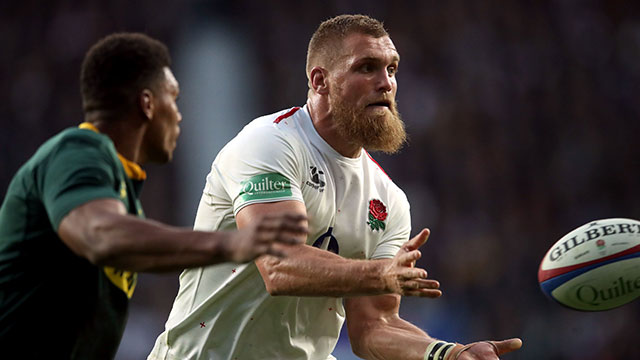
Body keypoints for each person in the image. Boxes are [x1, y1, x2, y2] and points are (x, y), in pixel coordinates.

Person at [148, 15, 522, 360]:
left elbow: (373, 326)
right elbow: (280, 266)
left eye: (392, 69)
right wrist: (378, 275)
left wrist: (448, 353)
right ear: (320, 81)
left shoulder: (388, 201)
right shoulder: (269, 144)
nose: (386, 82)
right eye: (366, 67)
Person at [0, 32, 307, 359]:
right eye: (172, 98)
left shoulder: (118, 190)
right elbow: (100, 235)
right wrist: (230, 243)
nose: (178, 115)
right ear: (147, 104)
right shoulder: (77, 151)